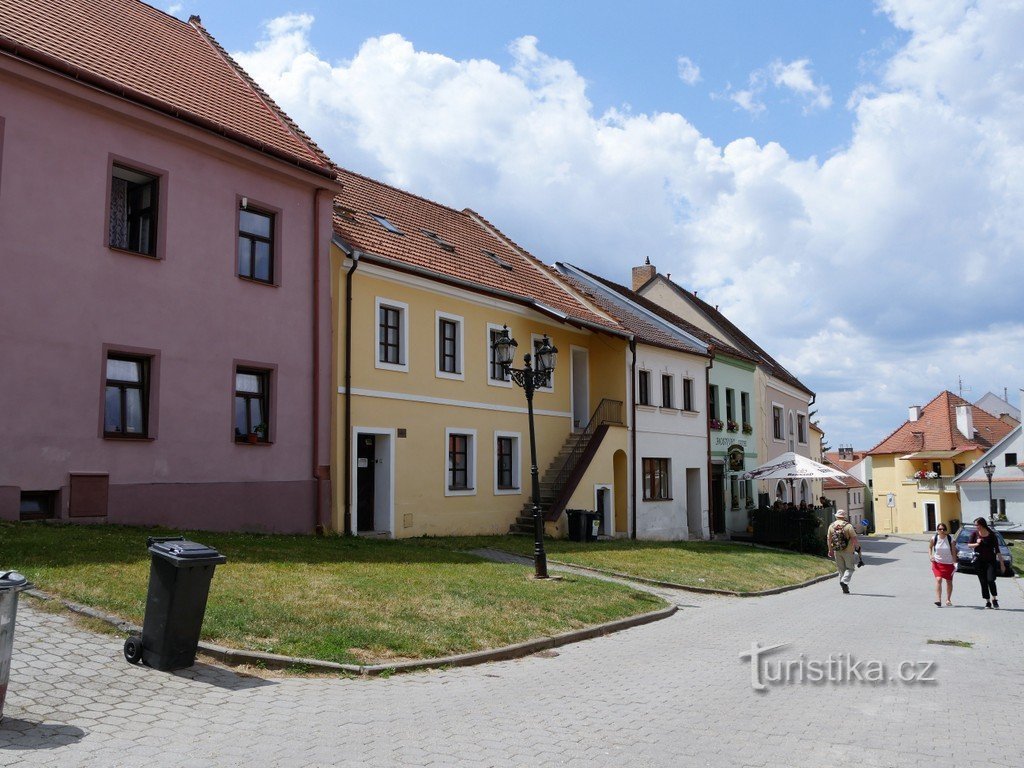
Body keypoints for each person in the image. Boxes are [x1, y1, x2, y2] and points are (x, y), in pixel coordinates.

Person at [967, 517, 1007, 608]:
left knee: (990, 579)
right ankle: (988, 601)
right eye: (975, 525)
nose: (976, 527)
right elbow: (969, 545)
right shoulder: (975, 534)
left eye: (977, 525)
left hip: (990, 562)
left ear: (982, 524)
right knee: (983, 582)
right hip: (979, 562)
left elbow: (997, 550)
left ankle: (994, 599)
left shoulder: (992, 535)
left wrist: (1002, 563)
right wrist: (976, 544)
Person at [826, 509, 858, 593]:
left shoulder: (831, 526)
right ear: (844, 517)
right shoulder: (848, 526)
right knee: (850, 568)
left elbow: (829, 539)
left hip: (837, 550)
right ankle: (844, 582)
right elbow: (854, 538)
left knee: (841, 570)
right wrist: (857, 547)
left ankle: (844, 588)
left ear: (836, 516)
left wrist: (830, 550)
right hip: (848, 551)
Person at [928, 523, 956, 606]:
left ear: (946, 530)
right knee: (938, 579)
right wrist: (930, 556)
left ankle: (948, 599)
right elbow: (930, 547)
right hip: (937, 563)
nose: (942, 531)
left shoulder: (950, 538)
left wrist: (955, 562)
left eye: (944, 529)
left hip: (949, 563)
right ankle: (938, 600)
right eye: (940, 529)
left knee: (949, 581)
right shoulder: (934, 538)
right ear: (937, 530)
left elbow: (954, 551)